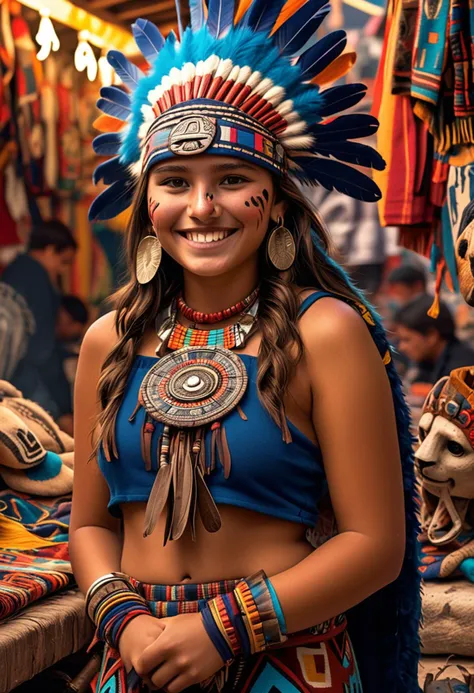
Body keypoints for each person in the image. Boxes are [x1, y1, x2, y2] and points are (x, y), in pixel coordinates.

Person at [69, 5, 421, 693]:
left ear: (278, 203)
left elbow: (375, 545)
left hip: (289, 661)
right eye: (175, 182)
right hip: (137, 659)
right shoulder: (105, 341)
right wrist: (128, 622)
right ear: (147, 207)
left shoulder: (328, 333)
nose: (202, 206)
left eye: (231, 179)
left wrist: (220, 631)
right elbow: (87, 524)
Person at [1, 220, 77, 422]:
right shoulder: (38, 279)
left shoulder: (12, 271)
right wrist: (62, 408)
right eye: (64, 262)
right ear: (50, 250)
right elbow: (42, 351)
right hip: (27, 381)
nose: (62, 271)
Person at [394, 294, 474, 385]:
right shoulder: (426, 363)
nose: (401, 347)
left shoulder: (462, 373)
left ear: (432, 336)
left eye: (406, 340)